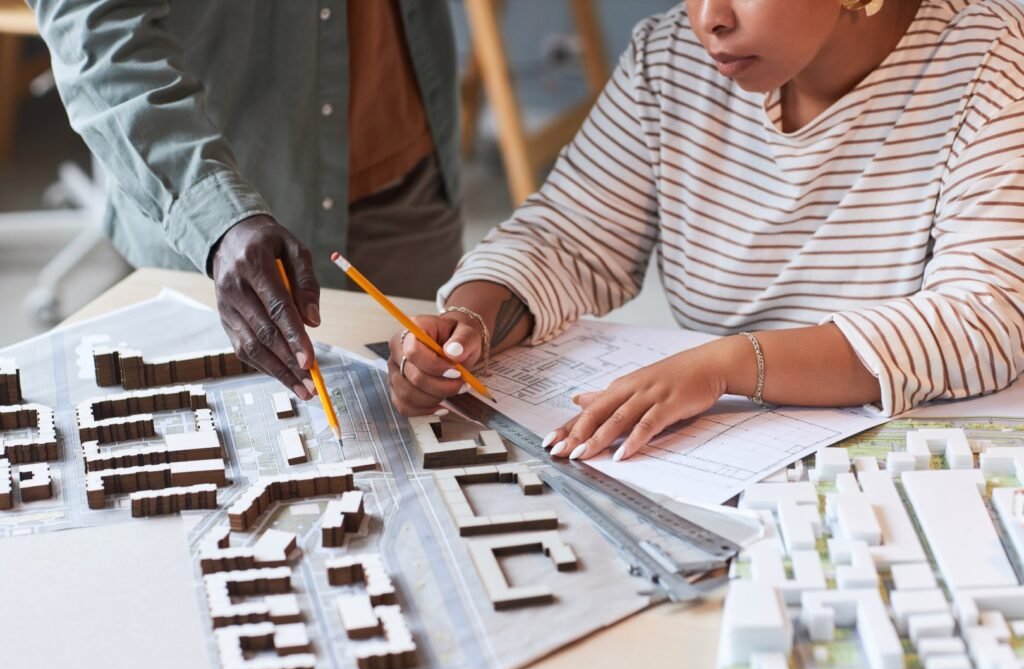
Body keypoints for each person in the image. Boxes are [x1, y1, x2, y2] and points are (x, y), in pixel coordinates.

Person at [390, 0, 1024, 465]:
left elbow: (986, 319)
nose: (707, 19)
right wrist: (470, 322)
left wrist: (729, 365)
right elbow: (568, 237)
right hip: (722, 458)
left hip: (916, 464)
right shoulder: (670, 60)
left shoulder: (993, 56)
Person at [29, 0, 462, 400]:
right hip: (219, 237)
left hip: (407, 181)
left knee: (436, 421)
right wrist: (216, 217)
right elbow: (96, 31)